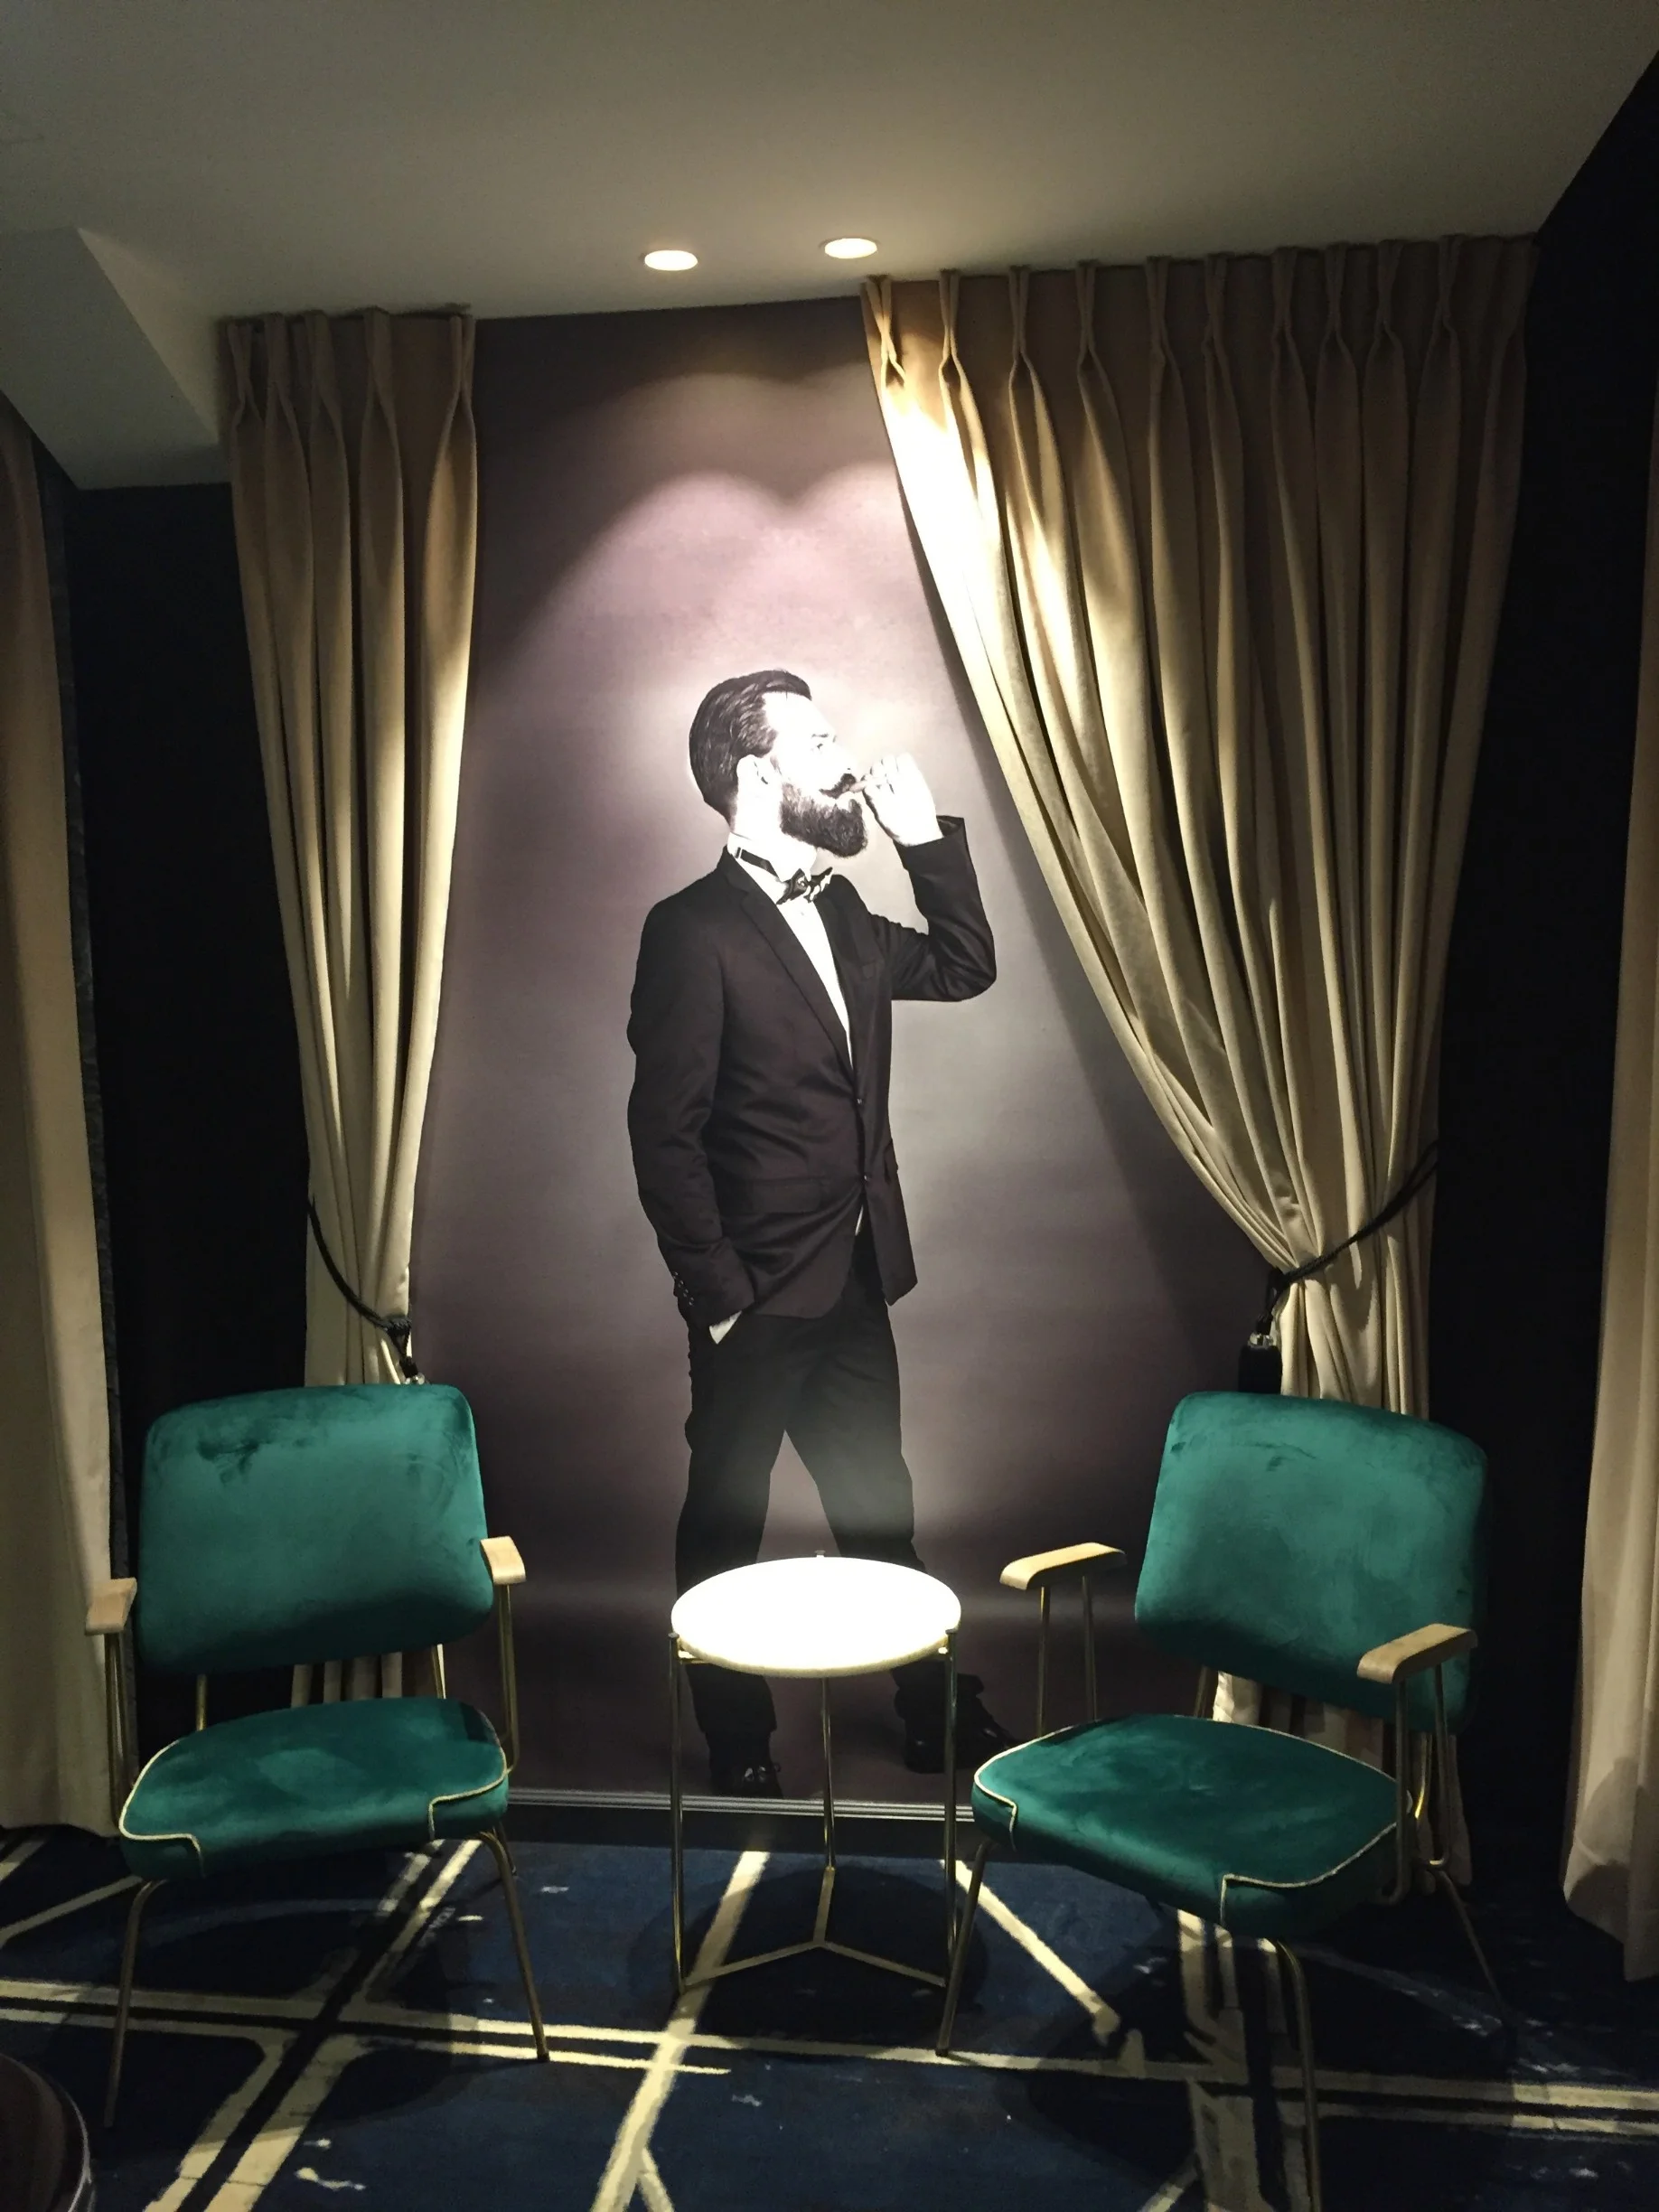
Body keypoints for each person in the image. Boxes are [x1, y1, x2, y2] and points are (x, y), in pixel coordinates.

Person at [626, 667, 1012, 1795]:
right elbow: (664, 1135)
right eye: (820, 741)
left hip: (852, 1279)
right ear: (758, 773)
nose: (846, 757)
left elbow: (965, 966)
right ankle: (739, 1742)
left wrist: (920, 840)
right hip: (752, 1299)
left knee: (880, 1513)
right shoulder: (688, 931)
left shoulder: (841, 908)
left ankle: (933, 1714)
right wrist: (719, 1295)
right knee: (723, 1524)